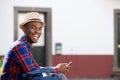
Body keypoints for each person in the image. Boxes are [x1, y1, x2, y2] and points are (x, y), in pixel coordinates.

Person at [1, 12, 71, 80]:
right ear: (23, 28)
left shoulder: (25, 46)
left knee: (58, 75)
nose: (37, 31)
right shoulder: (20, 46)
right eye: (33, 27)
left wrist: (55, 69)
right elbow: (31, 71)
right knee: (59, 77)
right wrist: (57, 69)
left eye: (40, 29)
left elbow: (35, 68)